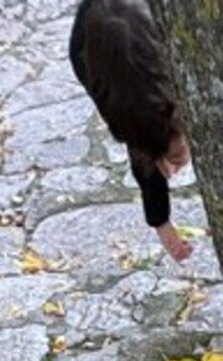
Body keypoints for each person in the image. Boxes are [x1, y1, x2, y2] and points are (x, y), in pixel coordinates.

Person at [69, 0, 194, 261]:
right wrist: (160, 220)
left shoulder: (178, 27)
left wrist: (178, 133)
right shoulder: (85, 57)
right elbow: (133, 127)